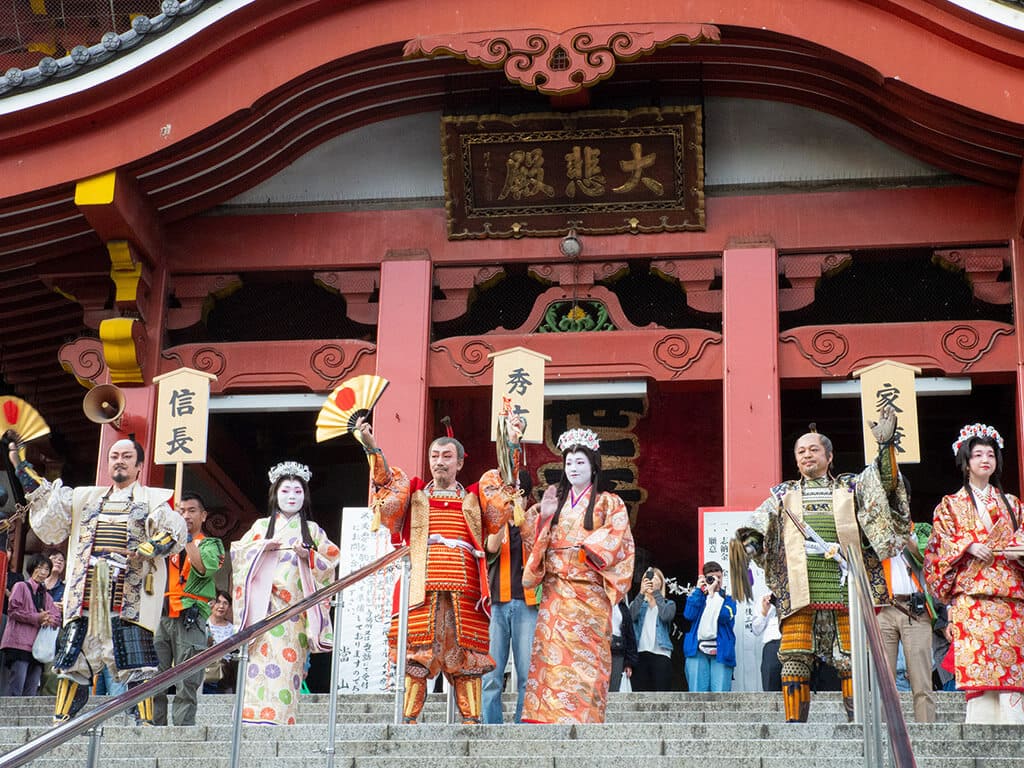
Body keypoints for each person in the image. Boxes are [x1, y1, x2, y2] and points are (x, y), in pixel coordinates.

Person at [731, 406, 910, 722]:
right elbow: (760, 524)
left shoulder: (850, 487)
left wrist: (886, 448)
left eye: (813, 449)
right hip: (800, 590)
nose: (805, 455)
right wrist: (748, 544)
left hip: (846, 587)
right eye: (800, 451)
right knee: (794, 660)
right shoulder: (783, 494)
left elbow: (882, 485)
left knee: (854, 659)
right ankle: (794, 727)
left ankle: (859, 725)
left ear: (830, 456)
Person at [8, 437, 186, 725]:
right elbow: (45, 499)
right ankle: (60, 722)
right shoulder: (84, 498)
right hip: (86, 595)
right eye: (114, 455)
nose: (119, 460)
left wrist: (143, 550)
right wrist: (19, 463)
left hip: (129, 599)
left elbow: (171, 532)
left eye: (127, 456)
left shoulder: (152, 500)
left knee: (137, 663)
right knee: (71, 661)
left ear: (139, 465)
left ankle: (145, 725)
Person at [356, 417, 517, 724]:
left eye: (446, 457)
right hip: (422, 586)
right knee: (416, 656)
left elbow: (505, 487)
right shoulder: (415, 494)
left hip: (464, 586)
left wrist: (511, 445)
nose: (439, 463)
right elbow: (385, 483)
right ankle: (407, 720)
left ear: (459, 462)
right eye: (435, 456)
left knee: (467, 657)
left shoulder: (475, 496)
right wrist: (371, 447)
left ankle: (471, 722)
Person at [520, 427, 635, 724]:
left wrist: (585, 550)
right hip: (556, 595)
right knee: (552, 661)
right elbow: (532, 542)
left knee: (585, 661)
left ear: (593, 465)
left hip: (589, 594)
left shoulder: (608, 503)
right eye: (569, 463)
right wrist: (544, 516)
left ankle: (584, 720)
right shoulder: (554, 502)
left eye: (580, 462)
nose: (573, 468)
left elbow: (618, 538)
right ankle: (547, 720)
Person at [924, 423, 1024, 724]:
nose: (985, 460)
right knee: (980, 670)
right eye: (978, 454)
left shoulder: (1013, 505)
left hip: (1009, 598)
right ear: (965, 461)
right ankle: (982, 727)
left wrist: (1016, 552)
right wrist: (967, 545)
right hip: (972, 600)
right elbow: (935, 551)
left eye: (990, 455)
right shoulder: (950, 505)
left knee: (1012, 671)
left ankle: (1014, 724)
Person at [231, 461, 339, 725]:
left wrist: (309, 556)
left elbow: (332, 560)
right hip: (263, 609)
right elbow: (238, 555)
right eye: (286, 491)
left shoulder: (312, 531)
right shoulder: (260, 527)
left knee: (287, 666)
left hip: (295, 614)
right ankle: (252, 717)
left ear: (305, 496)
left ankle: (280, 719)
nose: (291, 496)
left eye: (297, 492)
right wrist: (260, 550)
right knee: (258, 665)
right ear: (275, 495)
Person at [153, 492, 224, 726]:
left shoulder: (211, 544)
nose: (185, 515)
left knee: (188, 678)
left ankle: (182, 729)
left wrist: (186, 538)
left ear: (203, 516)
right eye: (181, 511)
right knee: (154, 676)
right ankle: (154, 725)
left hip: (190, 615)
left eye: (191, 511)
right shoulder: (165, 543)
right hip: (161, 613)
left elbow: (204, 568)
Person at [482, 470, 539, 724]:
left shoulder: (535, 523)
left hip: (528, 603)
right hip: (497, 602)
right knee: (491, 674)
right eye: (509, 492)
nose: (514, 497)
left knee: (527, 672)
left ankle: (521, 725)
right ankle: (491, 726)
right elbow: (491, 547)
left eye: (518, 493)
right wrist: (502, 512)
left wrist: (526, 518)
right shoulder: (494, 521)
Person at [878, 522, 936, 722]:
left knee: (921, 681)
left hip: (915, 609)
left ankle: (927, 733)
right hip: (883, 609)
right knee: (884, 683)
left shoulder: (920, 529)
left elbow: (928, 559)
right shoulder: (873, 527)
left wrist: (905, 536)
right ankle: (886, 736)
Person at [0, 553, 60, 695]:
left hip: (38, 647)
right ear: (32, 568)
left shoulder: (46, 595)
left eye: (46, 569)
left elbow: (57, 617)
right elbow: (13, 610)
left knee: (32, 688)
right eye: (40, 568)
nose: (43, 572)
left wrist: (49, 619)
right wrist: (37, 617)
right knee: (16, 686)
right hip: (19, 643)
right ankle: (9, 716)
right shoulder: (20, 586)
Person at [682, 561, 736, 692]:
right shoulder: (698, 596)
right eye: (712, 578)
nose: (716, 581)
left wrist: (714, 596)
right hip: (697, 651)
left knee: (721, 696)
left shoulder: (728, 599)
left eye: (719, 577)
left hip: (721, 651)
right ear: (705, 578)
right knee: (697, 694)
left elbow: (724, 616)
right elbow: (689, 615)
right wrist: (697, 592)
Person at [630, 566, 676, 691]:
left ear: (661, 582)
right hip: (640, 652)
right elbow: (631, 616)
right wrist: (641, 593)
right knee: (640, 693)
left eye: (655, 578)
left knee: (661, 692)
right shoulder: (639, 603)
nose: (651, 581)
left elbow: (666, 616)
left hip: (661, 653)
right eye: (648, 578)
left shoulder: (669, 604)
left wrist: (656, 592)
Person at [38, 550, 65, 696]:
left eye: (62, 560)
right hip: (34, 628)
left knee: (51, 668)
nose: (59, 561)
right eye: (55, 558)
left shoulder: (66, 588)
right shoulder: (36, 585)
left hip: (54, 631)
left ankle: (47, 696)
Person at [203, 590, 238, 694]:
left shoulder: (232, 629)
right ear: (212, 603)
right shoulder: (203, 623)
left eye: (225, 603)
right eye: (218, 602)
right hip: (205, 670)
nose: (221, 606)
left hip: (223, 674)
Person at [751, 592, 782, 692]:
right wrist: (764, 611)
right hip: (772, 646)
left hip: (794, 643)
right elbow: (756, 630)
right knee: (770, 687)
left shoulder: (798, 593)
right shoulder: (765, 597)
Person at [609, 598, 638, 693]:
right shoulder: (598, 600)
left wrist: (629, 662)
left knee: (614, 688)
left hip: (617, 650)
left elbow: (629, 634)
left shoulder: (622, 606)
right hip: (599, 649)